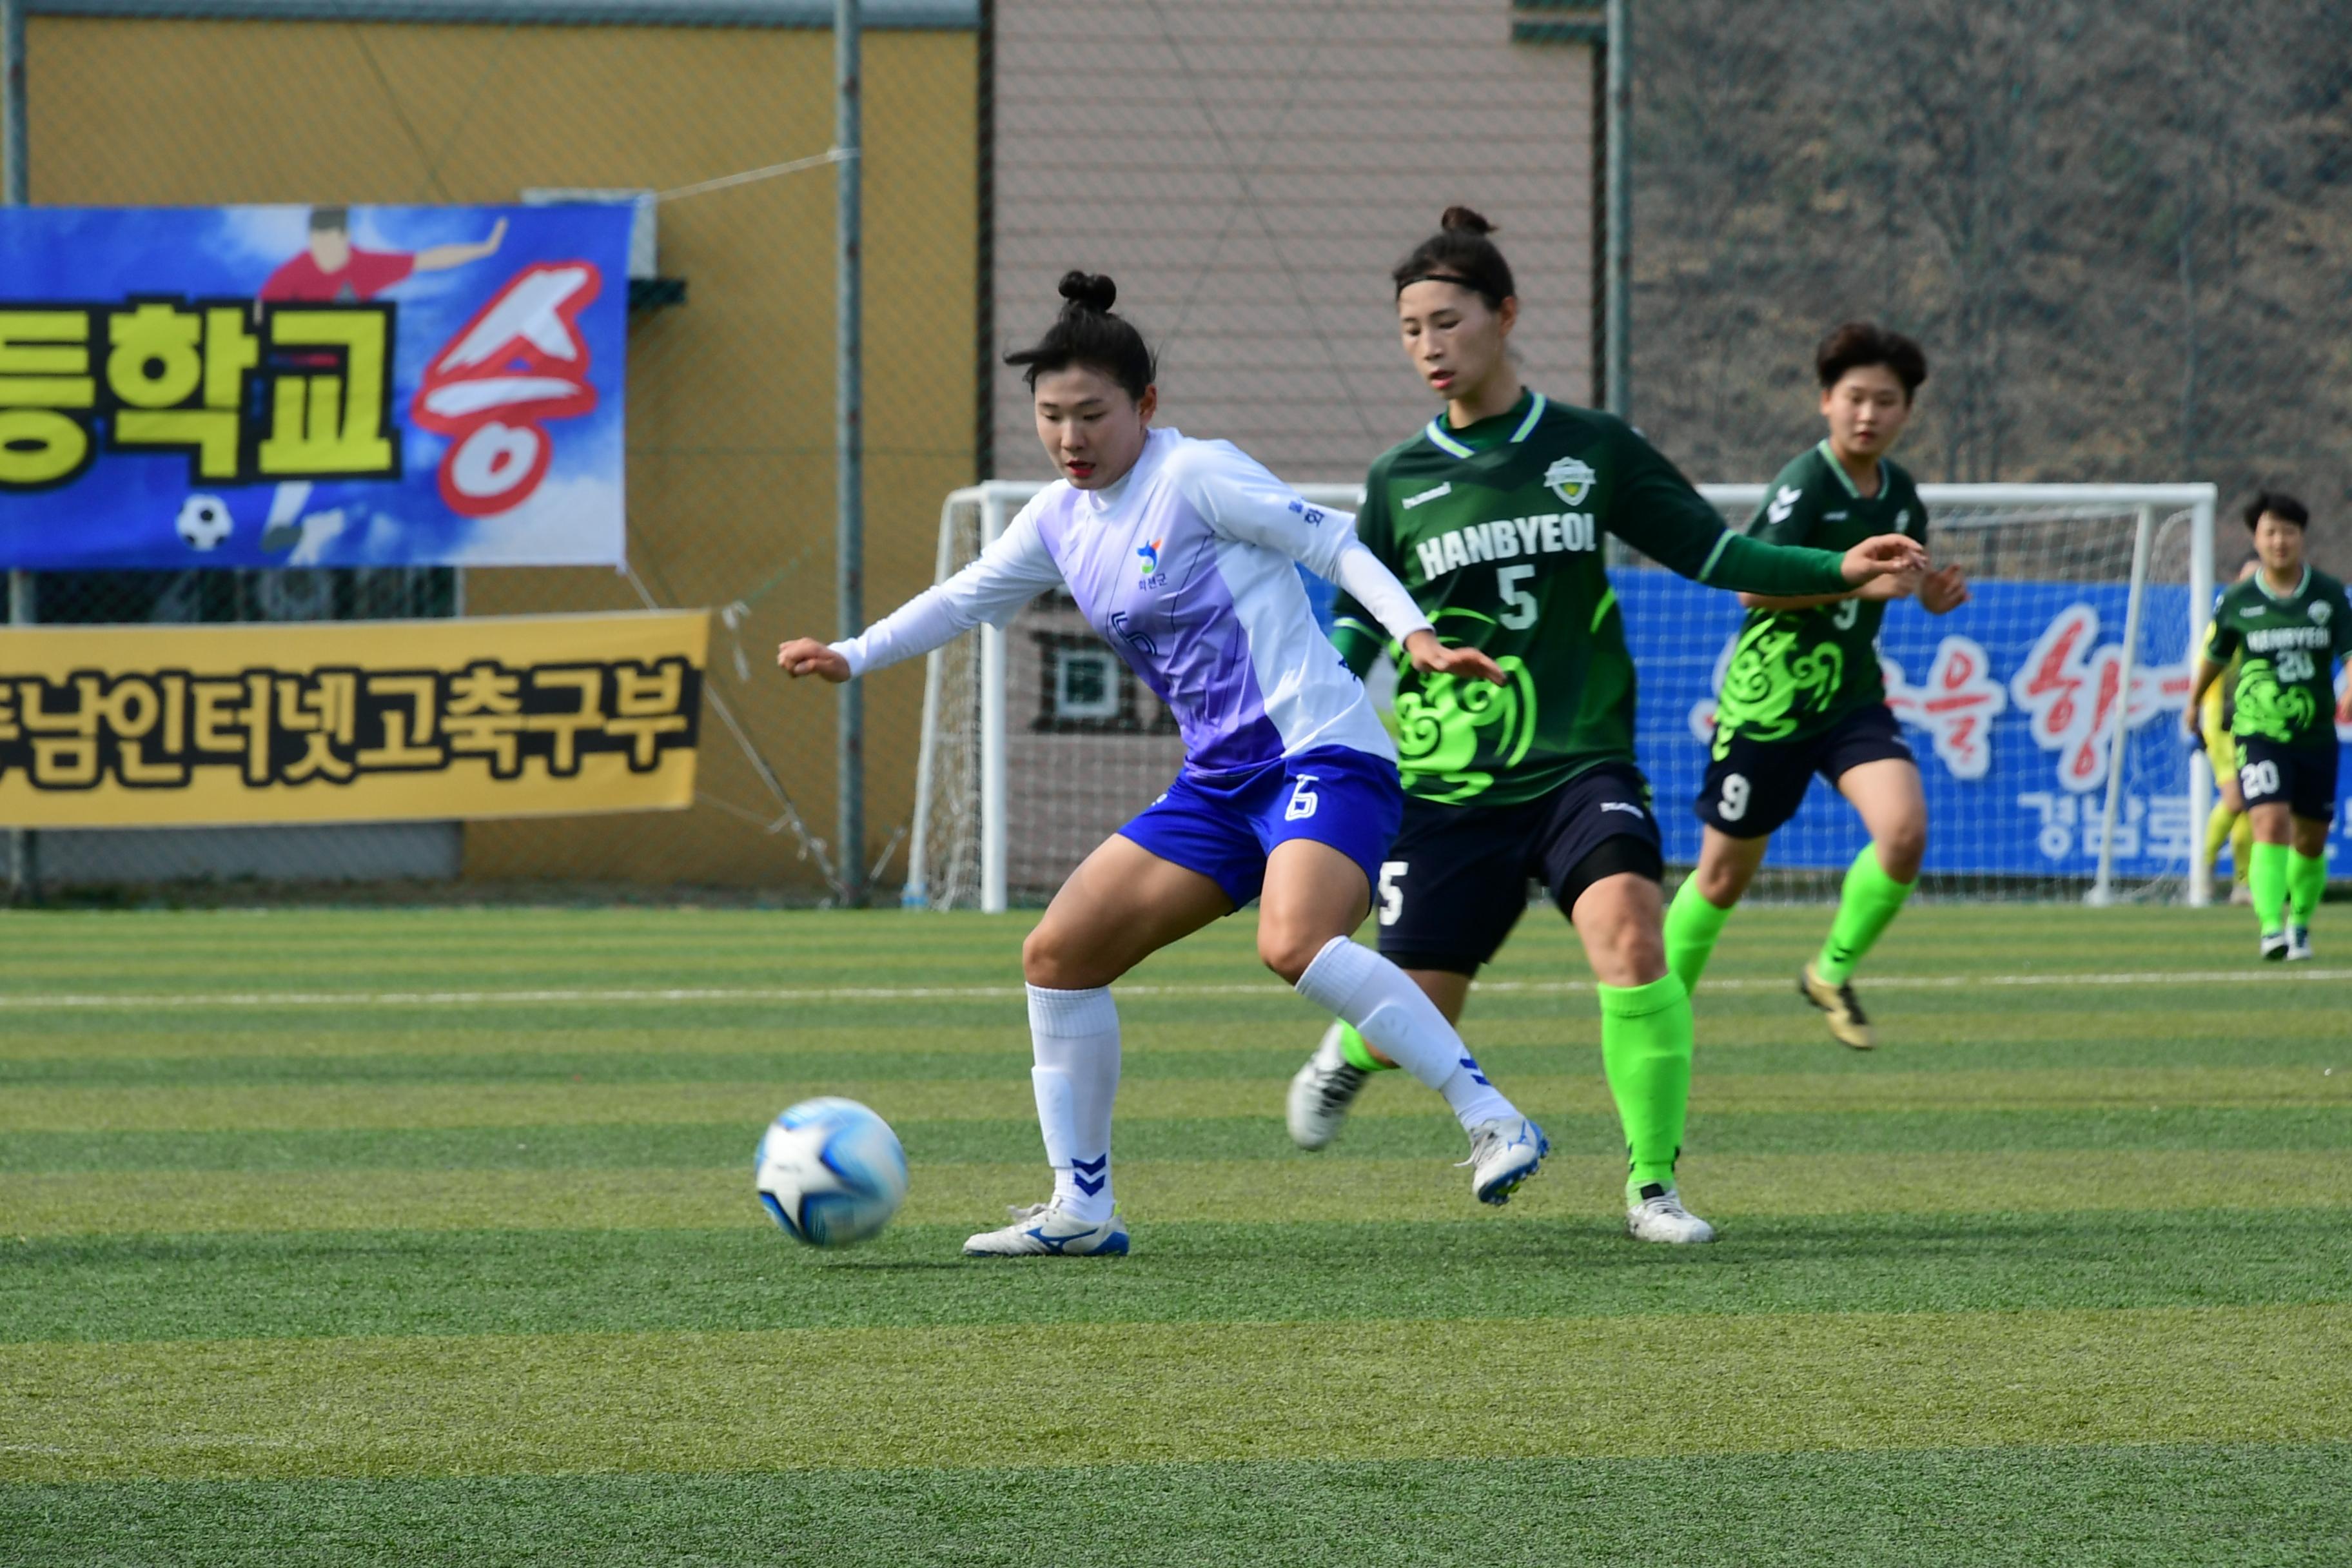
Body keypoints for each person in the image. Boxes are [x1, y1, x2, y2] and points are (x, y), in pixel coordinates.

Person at [781, 271, 1553, 1259]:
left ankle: (1491, 1118)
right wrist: (852, 653)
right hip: (1220, 785)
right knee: (1059, 956)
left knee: (1294, 943)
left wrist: (1415, 637)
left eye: (1092, 414)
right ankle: (1081, 1207)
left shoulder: (1197, 476)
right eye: (1051, 417)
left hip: (1323, 753)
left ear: (1144, 407)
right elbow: (966, 597)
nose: (1070, 438)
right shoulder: (1059, 518)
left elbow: (1336, 547)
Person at [1281, 211, 1928, 1244]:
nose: (1429, 348)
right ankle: (1352, 1054)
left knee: (1633, 937)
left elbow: (1718, 557)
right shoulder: (1401, 479)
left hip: (1583, 761)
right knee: (1422, 1008)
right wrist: (1301, 741)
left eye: (1448, 323)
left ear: (1506, 316)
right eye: (1410, 331)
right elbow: (1356, 630)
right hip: (1455, 783)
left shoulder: (1592, 447)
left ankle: (1653, 1187)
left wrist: (1837, 571)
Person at [1658, 322, 1964, 1050]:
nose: (1869, 414)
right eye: (1855, 397)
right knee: (1723, 878)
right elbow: (1751, 591)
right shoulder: (1804, 483)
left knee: (1904, 832)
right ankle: (1658, 1005)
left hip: (1851, 699)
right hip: (1768, 706)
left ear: (1906, 412)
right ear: (1826, 400)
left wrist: (1928, 594)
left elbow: (1900, 580)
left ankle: (1830, 971)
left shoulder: (1901, 496)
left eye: (1886, 401)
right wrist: (1861, 584)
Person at [2184, 492, 2352, 961]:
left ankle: (2300, 922)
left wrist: (2350, 687)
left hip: (2315, 732)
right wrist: (2192, 703)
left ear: (2302, 537)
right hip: (2258, 732)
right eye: (2270, 532)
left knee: (2311, 840)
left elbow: (2349, 652)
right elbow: (2215, 657)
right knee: (2269, 822)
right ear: (2256, 538)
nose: (2279, 541)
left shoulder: (2328, 594)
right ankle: (2269, 927)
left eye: (2289, 532)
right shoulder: (2238, 600)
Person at [260, 205, 508, 303]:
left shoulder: (368, 266)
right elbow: (262, 310)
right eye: (317, 242)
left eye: (329, 242)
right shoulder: (292, 272)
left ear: (346, 237)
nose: (322, 251)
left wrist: (484, 249)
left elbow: (429, 259)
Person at [2200, 557, 2262, 905]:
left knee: (2252, 802)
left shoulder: (2269, 624)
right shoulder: (2226, 620)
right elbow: (2210, 670)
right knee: (2235, 798)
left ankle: (2242, 882)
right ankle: (2205, 864)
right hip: (2223, 723)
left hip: (2254, 722)